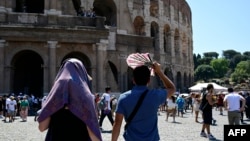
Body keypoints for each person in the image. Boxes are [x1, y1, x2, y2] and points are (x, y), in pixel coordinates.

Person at [37, 58, 102, 141]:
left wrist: (46, 106)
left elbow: (42, 127)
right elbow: (93, 134)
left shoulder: (54, 96)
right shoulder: (86, 98)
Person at [111, 62, 176, 141]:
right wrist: (159, 72)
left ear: (133, 80)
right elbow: (172, 88)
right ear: (148, 80)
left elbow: (117, 124)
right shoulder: (155, 95)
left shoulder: (123, 98)